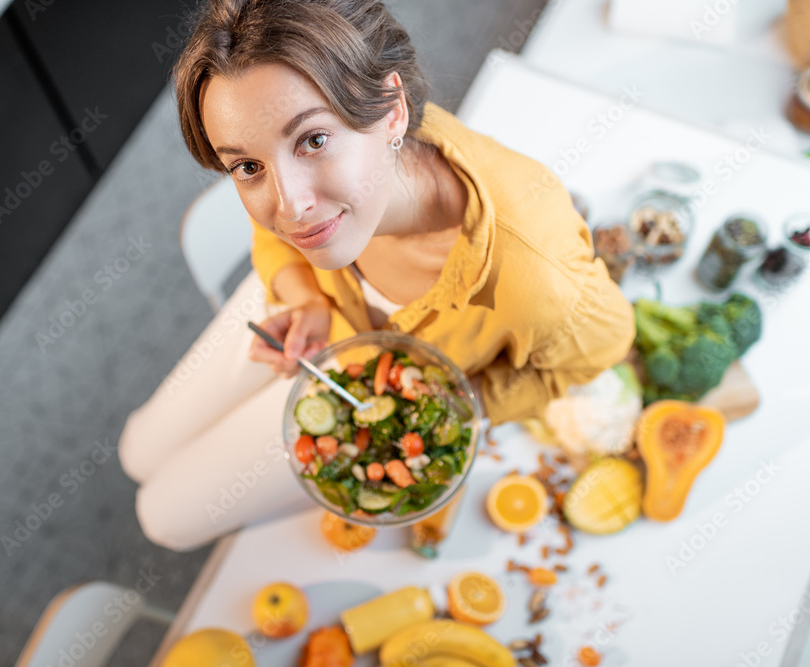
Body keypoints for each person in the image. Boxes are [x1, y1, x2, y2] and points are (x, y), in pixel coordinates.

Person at [118, 0, 635, 552]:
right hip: (304, 308)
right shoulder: (314, 201)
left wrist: (465, 400)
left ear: (392, 111)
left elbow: (605, 345)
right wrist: (300, 295)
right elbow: (275, 229)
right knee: (138, 447)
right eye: (248, 167)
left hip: (377, 387)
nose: (289, 205)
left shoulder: (540, 279)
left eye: (313, 140)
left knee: (164, 518)